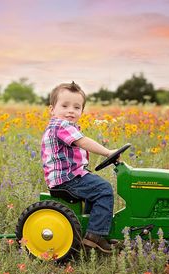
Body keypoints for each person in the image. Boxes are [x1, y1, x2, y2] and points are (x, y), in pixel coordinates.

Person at [41, 81, 118, 253]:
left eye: (76, 107)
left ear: (82, 111)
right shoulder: (60, 126)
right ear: (52, 109)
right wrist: (107, 153)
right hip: (67, 179)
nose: (71, 111)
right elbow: (83, 142)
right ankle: (95, 236)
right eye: (65, 105)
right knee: (104, 190)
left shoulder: (65, 127)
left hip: (71, 176)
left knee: (95, 190)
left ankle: (91, 231)